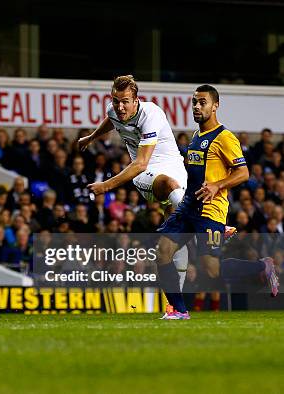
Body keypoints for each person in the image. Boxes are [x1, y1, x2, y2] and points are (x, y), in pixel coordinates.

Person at [156, 85, 279, 320]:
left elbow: (243, 173)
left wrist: (217, 185)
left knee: (211, 270)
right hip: (188, 206)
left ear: (215, 106)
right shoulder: (196, 136)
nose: (197, 107)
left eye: (202, 102)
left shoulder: (225, 137)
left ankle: (262, 267)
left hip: (210, 209)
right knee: (162, 252)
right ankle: (180, 310)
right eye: (194, 102)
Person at [78, 75, 190, 291]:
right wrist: (91, 137)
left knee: (174, 233)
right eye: (115, 100)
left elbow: (140, 161)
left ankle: (178, 302)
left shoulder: (151, 115)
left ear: (136, 100)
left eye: (125, 101)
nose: (119, 106)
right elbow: (138, 163)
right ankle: (207, 225)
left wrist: (106, 186)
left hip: (173, 166)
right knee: (169, 186)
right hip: (145, 173)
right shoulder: (114, 109)